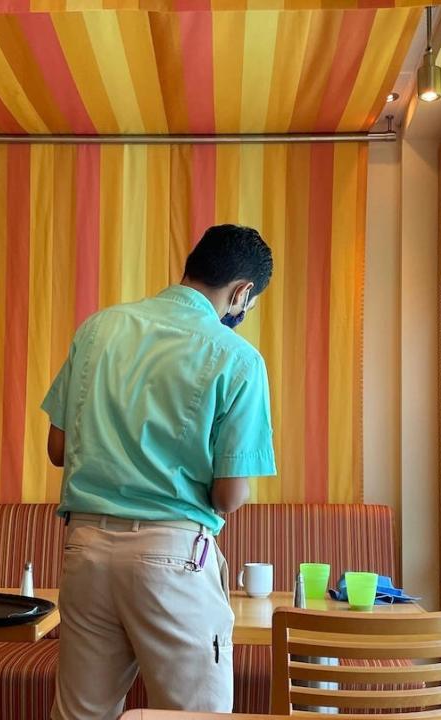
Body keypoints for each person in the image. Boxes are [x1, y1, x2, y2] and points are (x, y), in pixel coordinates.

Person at [42, 224, 277, 720]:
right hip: (171, 557)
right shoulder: (237, 358)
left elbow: (58, 448)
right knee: (194, 716)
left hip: (87, 551)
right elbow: (229, 495)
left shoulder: (98, 328)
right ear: (242, 293)